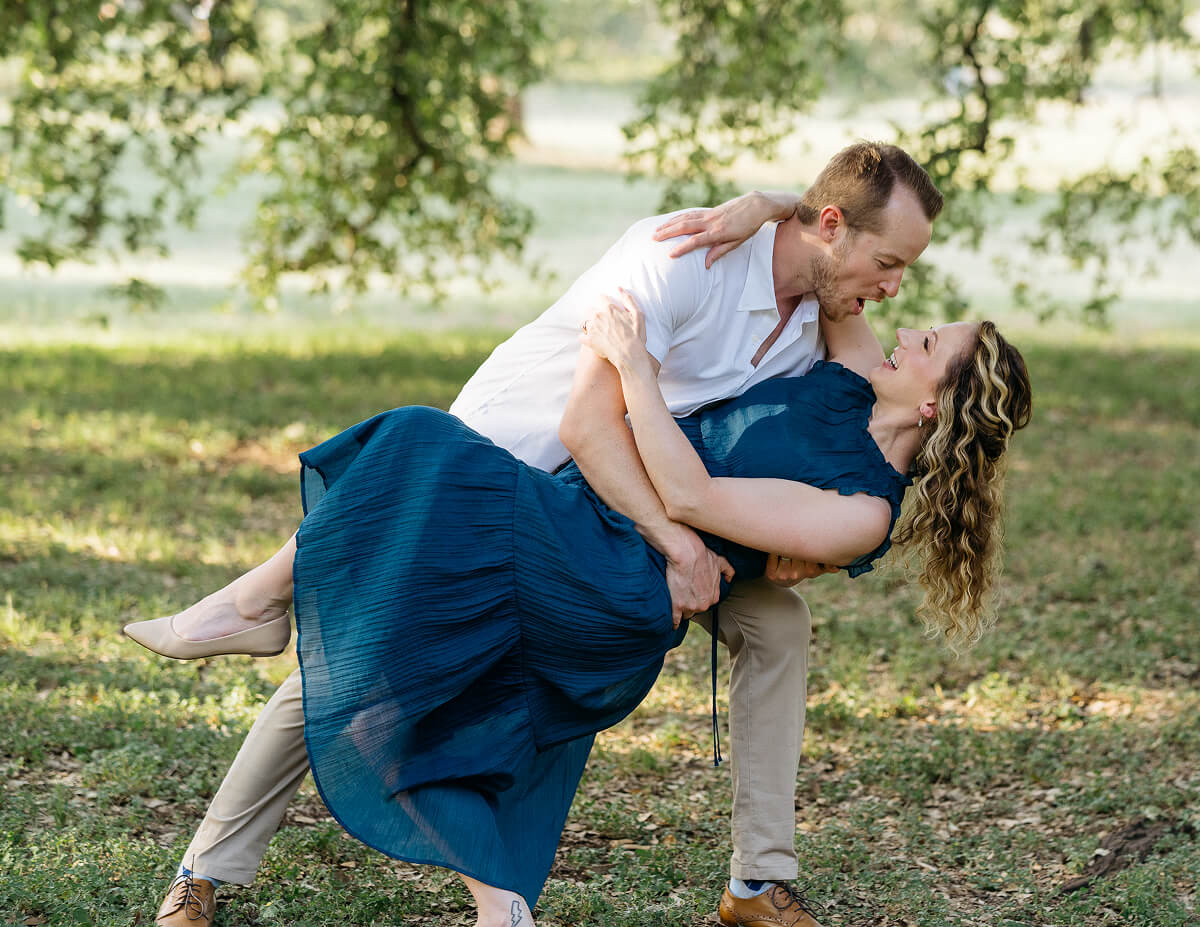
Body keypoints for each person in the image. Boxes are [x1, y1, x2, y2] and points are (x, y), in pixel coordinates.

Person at [127, 142, 952, 927]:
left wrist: (778, 537)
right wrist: (681, 545)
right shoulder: (678, 257)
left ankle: (759, 879)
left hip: (647, 505)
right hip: (524, 459)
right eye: (890, 264)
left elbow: (852, 445)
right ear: (835, 227)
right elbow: (590, 426)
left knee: (776, 623)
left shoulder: (818, 321)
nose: (894, 288)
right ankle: (205, 867)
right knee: (376, 650)